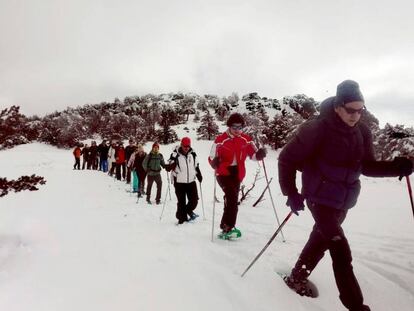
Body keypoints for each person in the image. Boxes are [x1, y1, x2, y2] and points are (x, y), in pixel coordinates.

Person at [278, 80, 413, 311]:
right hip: (318, 198)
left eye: (360, 110)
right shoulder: (317, 128)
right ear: (338, 106)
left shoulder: (362, 132)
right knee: (340, 249)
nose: (355, 115)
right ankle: (356, 306)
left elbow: (368, 167)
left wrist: (397, 167)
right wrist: (291, 193)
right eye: (351, 109)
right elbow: (286, 159)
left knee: (320, 240)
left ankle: (297, 276)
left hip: (343, 201)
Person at [208, 113, 267, 239]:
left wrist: (260, 155)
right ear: (229, 126)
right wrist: (214, 162)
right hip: (223, 172)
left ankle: (225, 225)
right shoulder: (220, 139)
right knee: (232, 198)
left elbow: (253, 155)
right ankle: (229, 226)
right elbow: (211, 157)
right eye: (234, 127)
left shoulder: (246, 139)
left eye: (240, 127)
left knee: (231, 200)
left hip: (238, 173)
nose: (237, 130)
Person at [167, 137, 203, 224]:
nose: (186, 148)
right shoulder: (175, 154)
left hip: (191, 181)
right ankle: (182, 219)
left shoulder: (193, 154)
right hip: (179, 182)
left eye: (188, 146)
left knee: (194, 201)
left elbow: (196, 165)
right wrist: (171, 164)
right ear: (181, 145)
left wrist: (199, 174)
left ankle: (186, 211)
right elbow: (169, 166)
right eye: (184, 146)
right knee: (181, 202)